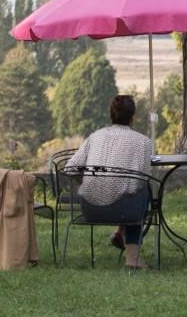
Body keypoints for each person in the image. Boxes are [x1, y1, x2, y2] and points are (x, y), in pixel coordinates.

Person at [66, 94, 155, 269]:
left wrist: (87, 181)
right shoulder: (143, 142)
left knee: (128, 191)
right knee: (143, 191)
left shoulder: (95, 137)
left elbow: (70, 168)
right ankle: (133, 258)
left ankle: (119, 232)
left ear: (111, 115)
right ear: (133, 117)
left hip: (90, 209)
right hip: (125, 211)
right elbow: (142, 178)